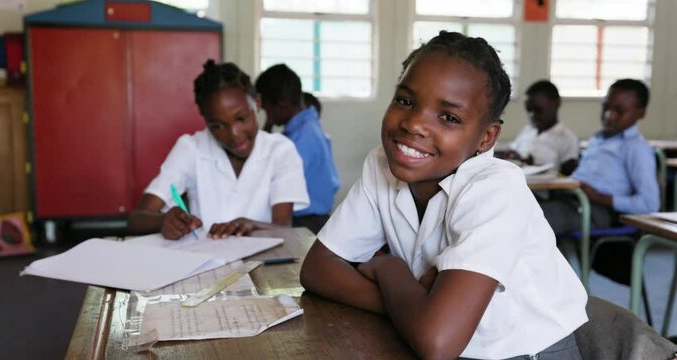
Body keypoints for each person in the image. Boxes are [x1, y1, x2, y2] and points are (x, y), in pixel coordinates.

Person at [300, 31, 587, 359]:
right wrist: (414, 306)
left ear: (486, 137)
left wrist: (389, 270)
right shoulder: (381, 163)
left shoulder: (496, 189)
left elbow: (437, 341)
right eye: (406, 101)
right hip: (437, 340)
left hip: (524, 352)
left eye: (449, 117)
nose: (414, 124)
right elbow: (317, 268)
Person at [127, 60, 309, 240]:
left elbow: (284, 227)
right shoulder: (191, 148)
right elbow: (137, 219)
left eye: (242, 118)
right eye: (217, 126)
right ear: (205, 120)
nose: (234, 134)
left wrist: (252, 225)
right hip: (204, 262)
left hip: (261, 264)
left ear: (257, 103)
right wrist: (164, 221)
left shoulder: (280, 150)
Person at [540, 79, 660, 235]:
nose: (609, 116)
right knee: (513, 204)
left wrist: (600, 197)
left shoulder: (636, 147)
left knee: (527, 218)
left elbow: (650, 204)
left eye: (619, 111)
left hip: (594, 210)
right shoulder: (600, 138)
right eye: (605, 108)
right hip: (568, 199)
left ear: (641, 113)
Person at [255, 64, 339, 234]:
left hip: (306, 222)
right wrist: (269, 123)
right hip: (312, 218)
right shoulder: (308, 126)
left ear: (282, 104)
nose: (266, 115)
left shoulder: (300, 138)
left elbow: (260, 171)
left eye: (267, 110)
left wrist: (268, 124)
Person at [499, 80, 579, 175]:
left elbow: (567, 176)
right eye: (529, 110)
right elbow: (512, 151)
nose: (532, 115)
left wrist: (534, 164)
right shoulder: (527, 130)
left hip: (542, 187)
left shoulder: (567, 138)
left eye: (538, 110)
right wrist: (513, 156)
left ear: (556, 104)